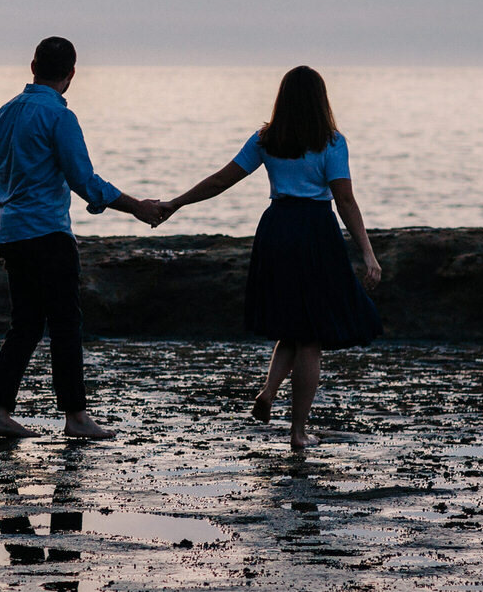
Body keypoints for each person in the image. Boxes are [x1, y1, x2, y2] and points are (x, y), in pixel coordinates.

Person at [155, 65, 382, 451]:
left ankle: (268, 391)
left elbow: (221, 179)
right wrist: (367, 252)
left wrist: (177, 202)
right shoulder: (331, 142)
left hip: (277, 229)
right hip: (314, 232)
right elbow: (344, 200)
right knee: (311, 339)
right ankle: (298, 431)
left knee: (292, 326)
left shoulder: (266, 139)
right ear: (321, 100)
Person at [0, 37, 164, 442]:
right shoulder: (59, 117)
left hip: (12, 233)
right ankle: (75, 417)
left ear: (32, 66)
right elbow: (84, 181)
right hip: (47, 233)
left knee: (24, 325)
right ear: (71, 74)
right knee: (64, 325)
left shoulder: (3, 114)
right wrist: (138, 208)